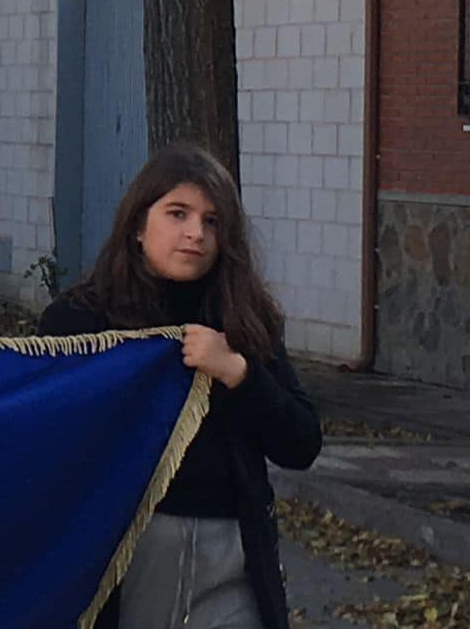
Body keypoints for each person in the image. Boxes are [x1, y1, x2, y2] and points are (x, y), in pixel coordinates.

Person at [39, 144, 320, 629]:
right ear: (137, 225)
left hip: (231, 554)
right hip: (125, 556)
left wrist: (237, 373)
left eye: (212, 221)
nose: (196, 233)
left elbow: (301, 442)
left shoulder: (243, 319)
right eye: (178, 214)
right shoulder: (80, 321)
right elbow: (41, 444)